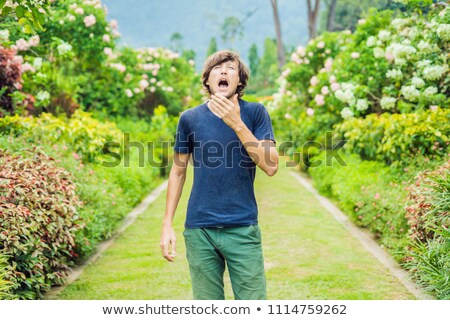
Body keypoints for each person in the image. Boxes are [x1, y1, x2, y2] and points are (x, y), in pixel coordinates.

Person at [160, 50, 278, 300]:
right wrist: (167, 224)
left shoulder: (255, 113)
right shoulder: (189, 119)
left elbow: (270, 165)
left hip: (242, 227)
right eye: (217, 68)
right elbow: (178, 172)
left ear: (240, 81)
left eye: (230, 68)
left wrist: (236, 122)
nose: (224, 71)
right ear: (207, 80)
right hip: (199, 230)